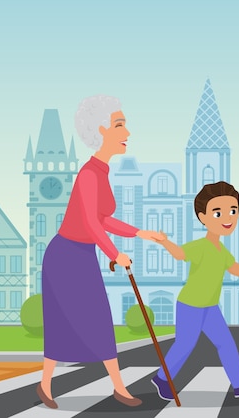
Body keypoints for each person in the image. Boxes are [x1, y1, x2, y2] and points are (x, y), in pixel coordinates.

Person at [36, 95, 162, 409]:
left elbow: (103, 218)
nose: (127, 132)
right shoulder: (89, 175)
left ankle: (117, 387)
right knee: (66, 321)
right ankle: (45, 386)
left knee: (98, 320)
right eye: (120, 124)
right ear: (101, 129)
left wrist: (138, 233)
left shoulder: (101, 172)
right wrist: (115, 253)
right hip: (65, 256)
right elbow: (91, 222)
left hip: (81, 254)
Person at [150, 180, 239, 401]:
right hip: (191, 305)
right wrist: (165, 242)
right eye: (218, 213)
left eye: (233, 211)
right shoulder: (201, 246)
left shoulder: (220, 249)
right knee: (185, 344)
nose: (228, 218)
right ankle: (162, 379)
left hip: (210, 307)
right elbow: (179, 254)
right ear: (202, 217)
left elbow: (232, 266)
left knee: (226, 344)